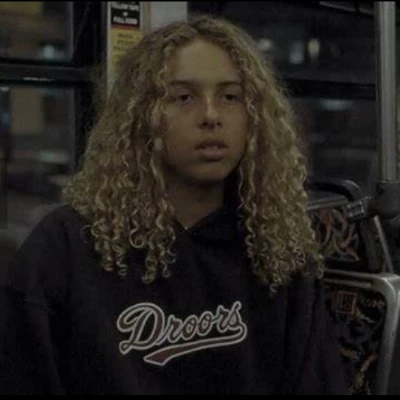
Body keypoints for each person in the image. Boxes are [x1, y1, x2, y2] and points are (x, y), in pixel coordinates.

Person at [0, 16, 347, 395]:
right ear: (141, 116)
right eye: (184, 97)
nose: (211, 116)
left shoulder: (279, 251)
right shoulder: (64, 249)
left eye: (230, 97)